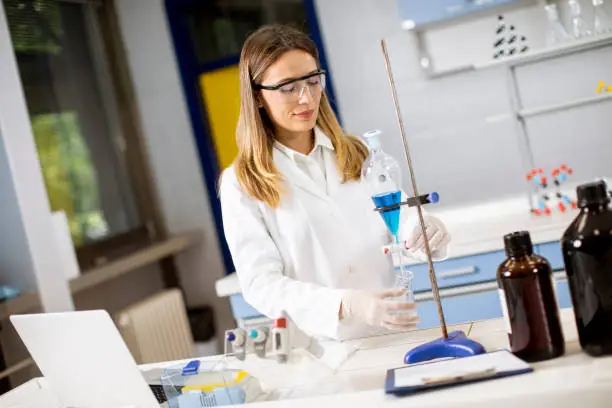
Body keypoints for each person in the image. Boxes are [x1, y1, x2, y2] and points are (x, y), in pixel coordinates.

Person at [219, 25, 450, 348]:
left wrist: (422, 229)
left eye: (313, 81)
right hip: (324, 349)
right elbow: (262, 285)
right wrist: (346, 304)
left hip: (399, 336)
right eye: (288, 87)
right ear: (257, 95)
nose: (306, 97)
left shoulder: (357, 155)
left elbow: (395, 219)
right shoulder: (243, 183)